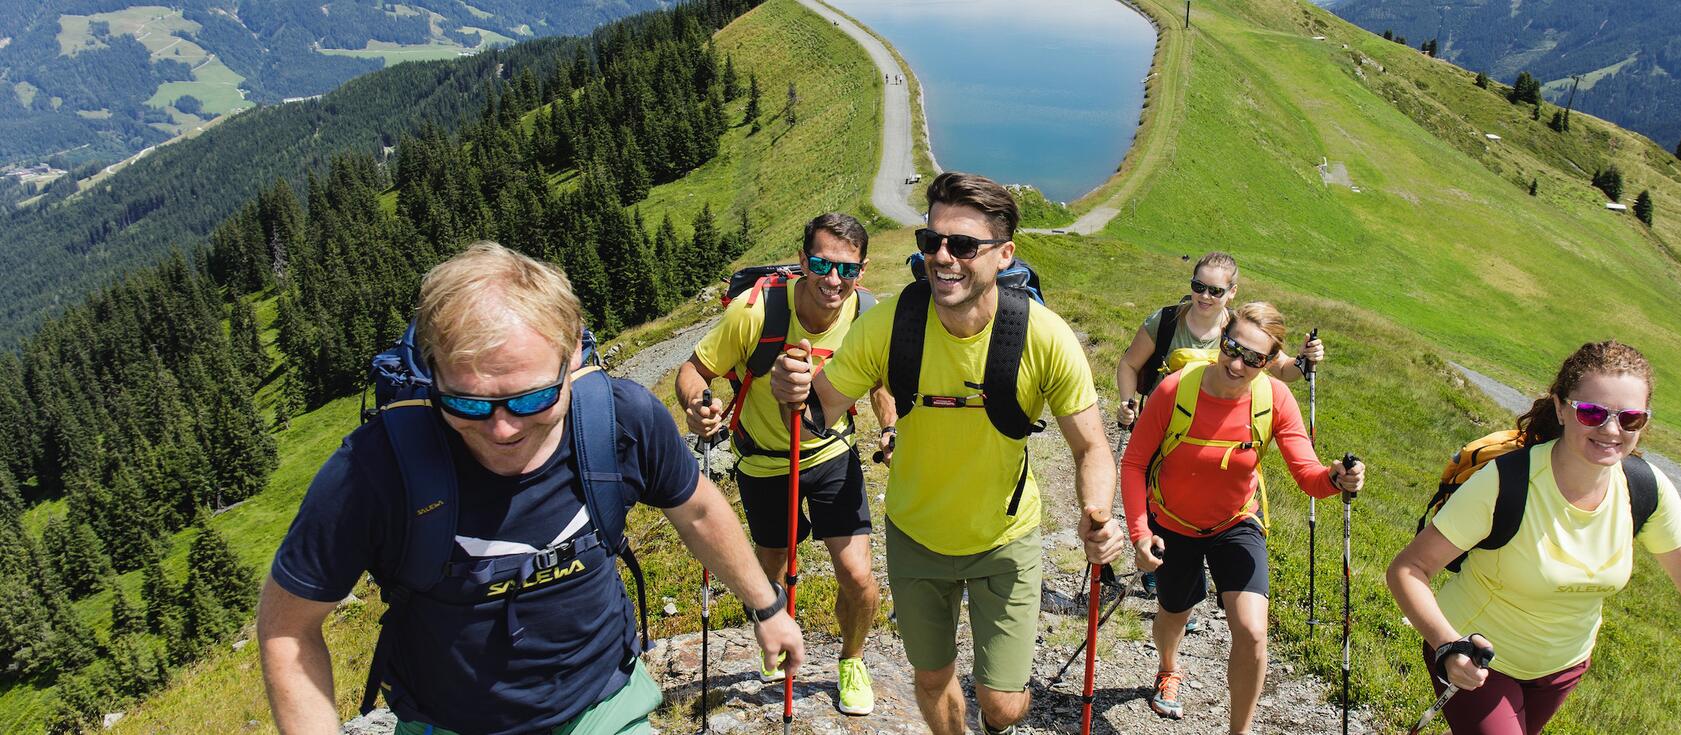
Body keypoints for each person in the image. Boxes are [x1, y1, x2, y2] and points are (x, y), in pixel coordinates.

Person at [259, 242, 804, 735]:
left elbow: (698, 510)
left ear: (572, 358)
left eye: (529, 398)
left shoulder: (619, 422)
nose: (502, 429)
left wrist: (767, 607)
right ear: (433, 372)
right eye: (468, 402)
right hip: (448, 725)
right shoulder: (374, 469)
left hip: (605, 710)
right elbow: (288, 628)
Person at [770, 172, 1127, 735]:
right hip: (915, 536)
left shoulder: (1044, 336)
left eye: (962, 245)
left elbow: (1091, 448)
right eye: (930, 241)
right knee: (932, 680)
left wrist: (1099, 514)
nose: (942, 257)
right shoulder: (891, 325)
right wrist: (791, 390)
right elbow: (820, 411)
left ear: (1004, 255)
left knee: (1003, 706)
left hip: (1005, 541)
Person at [1384, 341, 1681, 735]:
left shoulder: (1647, 489)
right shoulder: (1506, 482)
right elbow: (1409, 568)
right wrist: (1447, 644)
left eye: (1630, 418)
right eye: (1592, 412)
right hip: (1478, 656)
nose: (1611, 431)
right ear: (1560, 407)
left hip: (1562, 670)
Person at [675, 213, 896, 715]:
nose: (832, 279)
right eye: (820, 263)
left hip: (832, 451)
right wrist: (698, 405)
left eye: (846, 268)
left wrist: (890, 427)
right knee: (771, 562)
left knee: (858, 575)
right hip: (764, 460)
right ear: (801, 261)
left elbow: (879, 378)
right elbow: (695, 369)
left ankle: (852, 659)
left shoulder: (865, 312)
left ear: (862, 271)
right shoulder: (755, 313)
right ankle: (774, 630)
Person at [1121, 302, 1364, 733]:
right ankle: (1168, 667)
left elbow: (1308, 476)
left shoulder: (1275, 398)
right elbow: (1135, 463)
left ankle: (1240, 730)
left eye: (1254, 359)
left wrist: (1336, 478)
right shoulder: (1175, 390)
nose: (1237, 364)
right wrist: (1140, 534)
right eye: (1232, 348)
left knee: (1253, 632)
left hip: (1236, 521)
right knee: (1174, 612)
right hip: (1174, 522)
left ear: (1269, 362)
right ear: (1221, 338)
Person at [1113, 251, 1325, 596]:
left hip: (1223, 430)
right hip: (1167, 425)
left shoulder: (1242, 330)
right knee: (1164, 492)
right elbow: (1129, 364)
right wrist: (1128, 402)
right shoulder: (1166, 321)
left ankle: (1188, 572)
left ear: (1232, 292)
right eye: (1199, 286)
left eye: (1215, 290)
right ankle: (1164, 567)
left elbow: (1282, 369)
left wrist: (1305, 359)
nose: (1205, 296)